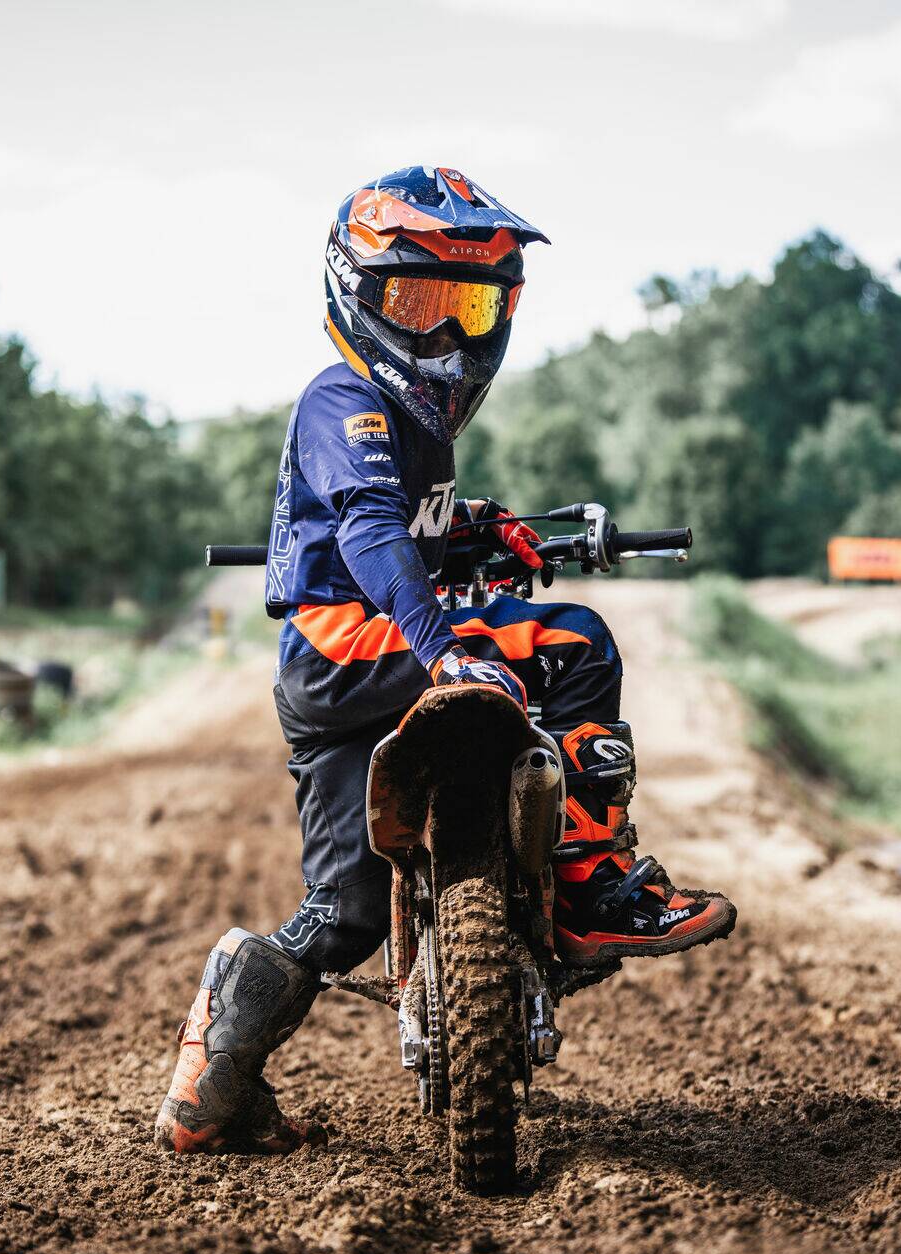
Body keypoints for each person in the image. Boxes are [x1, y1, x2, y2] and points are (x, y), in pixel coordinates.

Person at [155, 166, 736, 1154]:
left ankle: (208, 1090)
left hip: (325, 680)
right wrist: (443, 651)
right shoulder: (345, 401)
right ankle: (597, 882)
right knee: (576, 641)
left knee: (340, 911)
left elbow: (400, 524)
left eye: (468, 308)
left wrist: (474, 530)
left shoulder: (401, 425)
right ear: (356, 295)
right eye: (419, 306)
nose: (448, 339)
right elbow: (374, 529)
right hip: (362, 652)